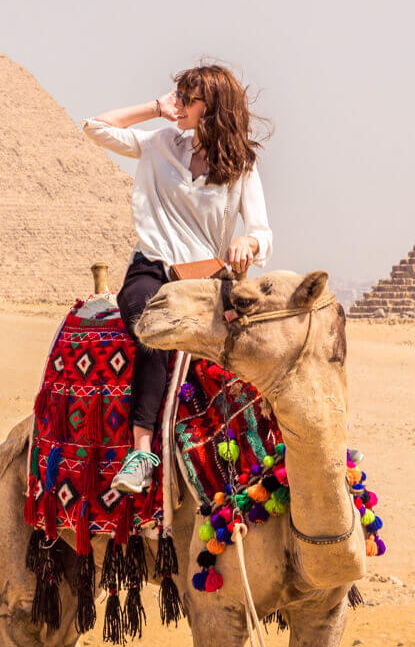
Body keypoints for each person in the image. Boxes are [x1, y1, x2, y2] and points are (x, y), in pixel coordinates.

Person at [81, 64, 273, 494]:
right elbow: (95, 127)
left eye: (189, 99)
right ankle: (141, 452)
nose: (180, 105)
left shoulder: (242, 165)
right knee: (156, 327)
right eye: (179, 97)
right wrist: (155, 108)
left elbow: (262, 232)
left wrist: (248, 244)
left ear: (215, 107)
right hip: (152, 271)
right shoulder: (160, 143)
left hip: (206, 282)